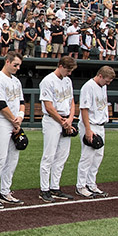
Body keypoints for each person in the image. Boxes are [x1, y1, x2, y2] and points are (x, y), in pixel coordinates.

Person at [0, 51, 26, 208]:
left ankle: (5, 191)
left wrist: (20, 118)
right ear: (7, 62)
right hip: (1, 121)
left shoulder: (16, 81)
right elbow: (1, 105)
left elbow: (22, 101)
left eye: (19, 65)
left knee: (12, 159)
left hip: (14, 122)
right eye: (15, 64)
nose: (17, 68)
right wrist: (15, 121)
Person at [38, 56, 78, 202]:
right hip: (52, 121)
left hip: (66, 119)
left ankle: (55, 187)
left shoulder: (68, 80)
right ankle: (44, 189)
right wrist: (63, 122)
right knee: (49, 155)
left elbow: (72, 101)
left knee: (62, 155)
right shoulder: (48, 81)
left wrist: (70, 119)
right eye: (68, 70)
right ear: (60, 65)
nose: (69, 73)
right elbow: (48, 106)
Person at [74, 65, 116, 198]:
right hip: (90, 124)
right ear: (100, 76)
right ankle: (81, 186)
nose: (108, 83)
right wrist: (88, 130)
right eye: (107, 80)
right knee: (87, 156)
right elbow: (84, 109)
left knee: (98, 156)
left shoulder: (103, 86)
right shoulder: (88, 86)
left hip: (100, 124)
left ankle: (91, 183)